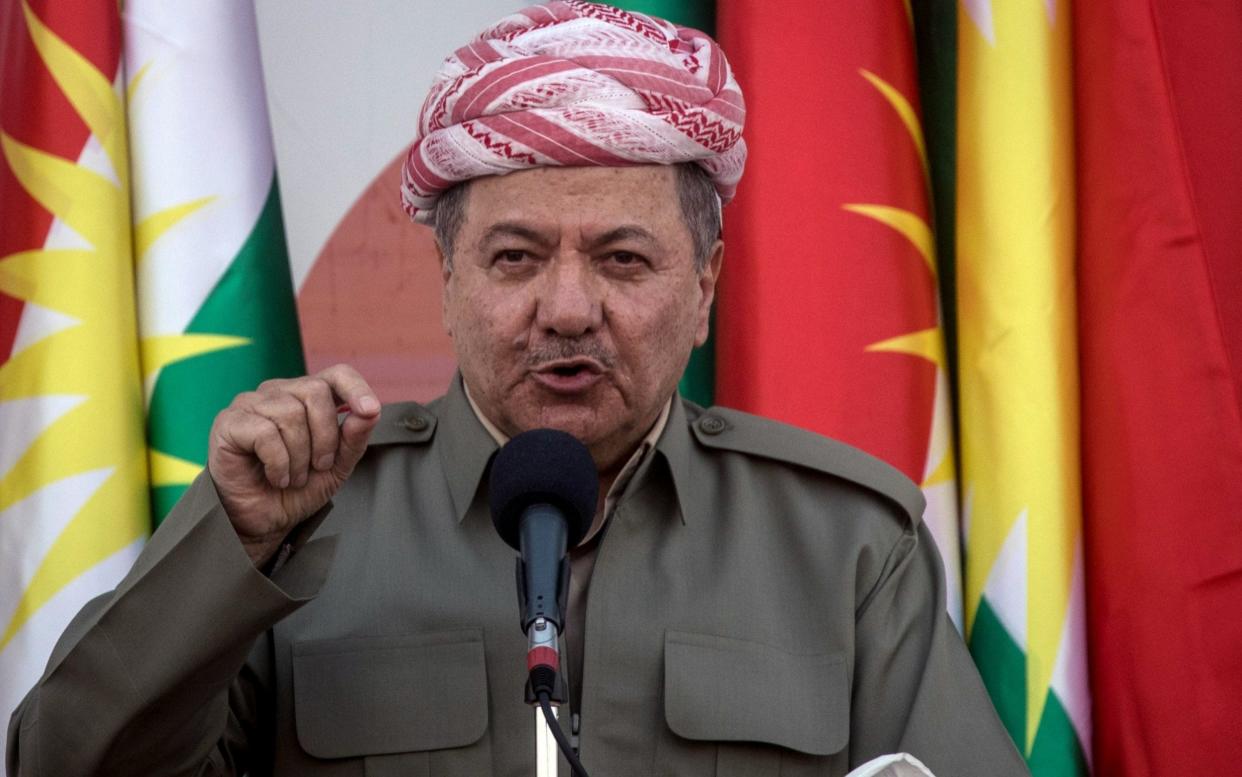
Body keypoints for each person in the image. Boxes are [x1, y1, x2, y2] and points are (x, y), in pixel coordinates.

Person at [6, 2, 1029, 775]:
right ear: (446, 282)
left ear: (705, 285)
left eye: (624, 261)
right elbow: (64, 763)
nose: (569, 308)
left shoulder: (844, 543)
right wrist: (231, 546)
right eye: (516, 259)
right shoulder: (302, 524)